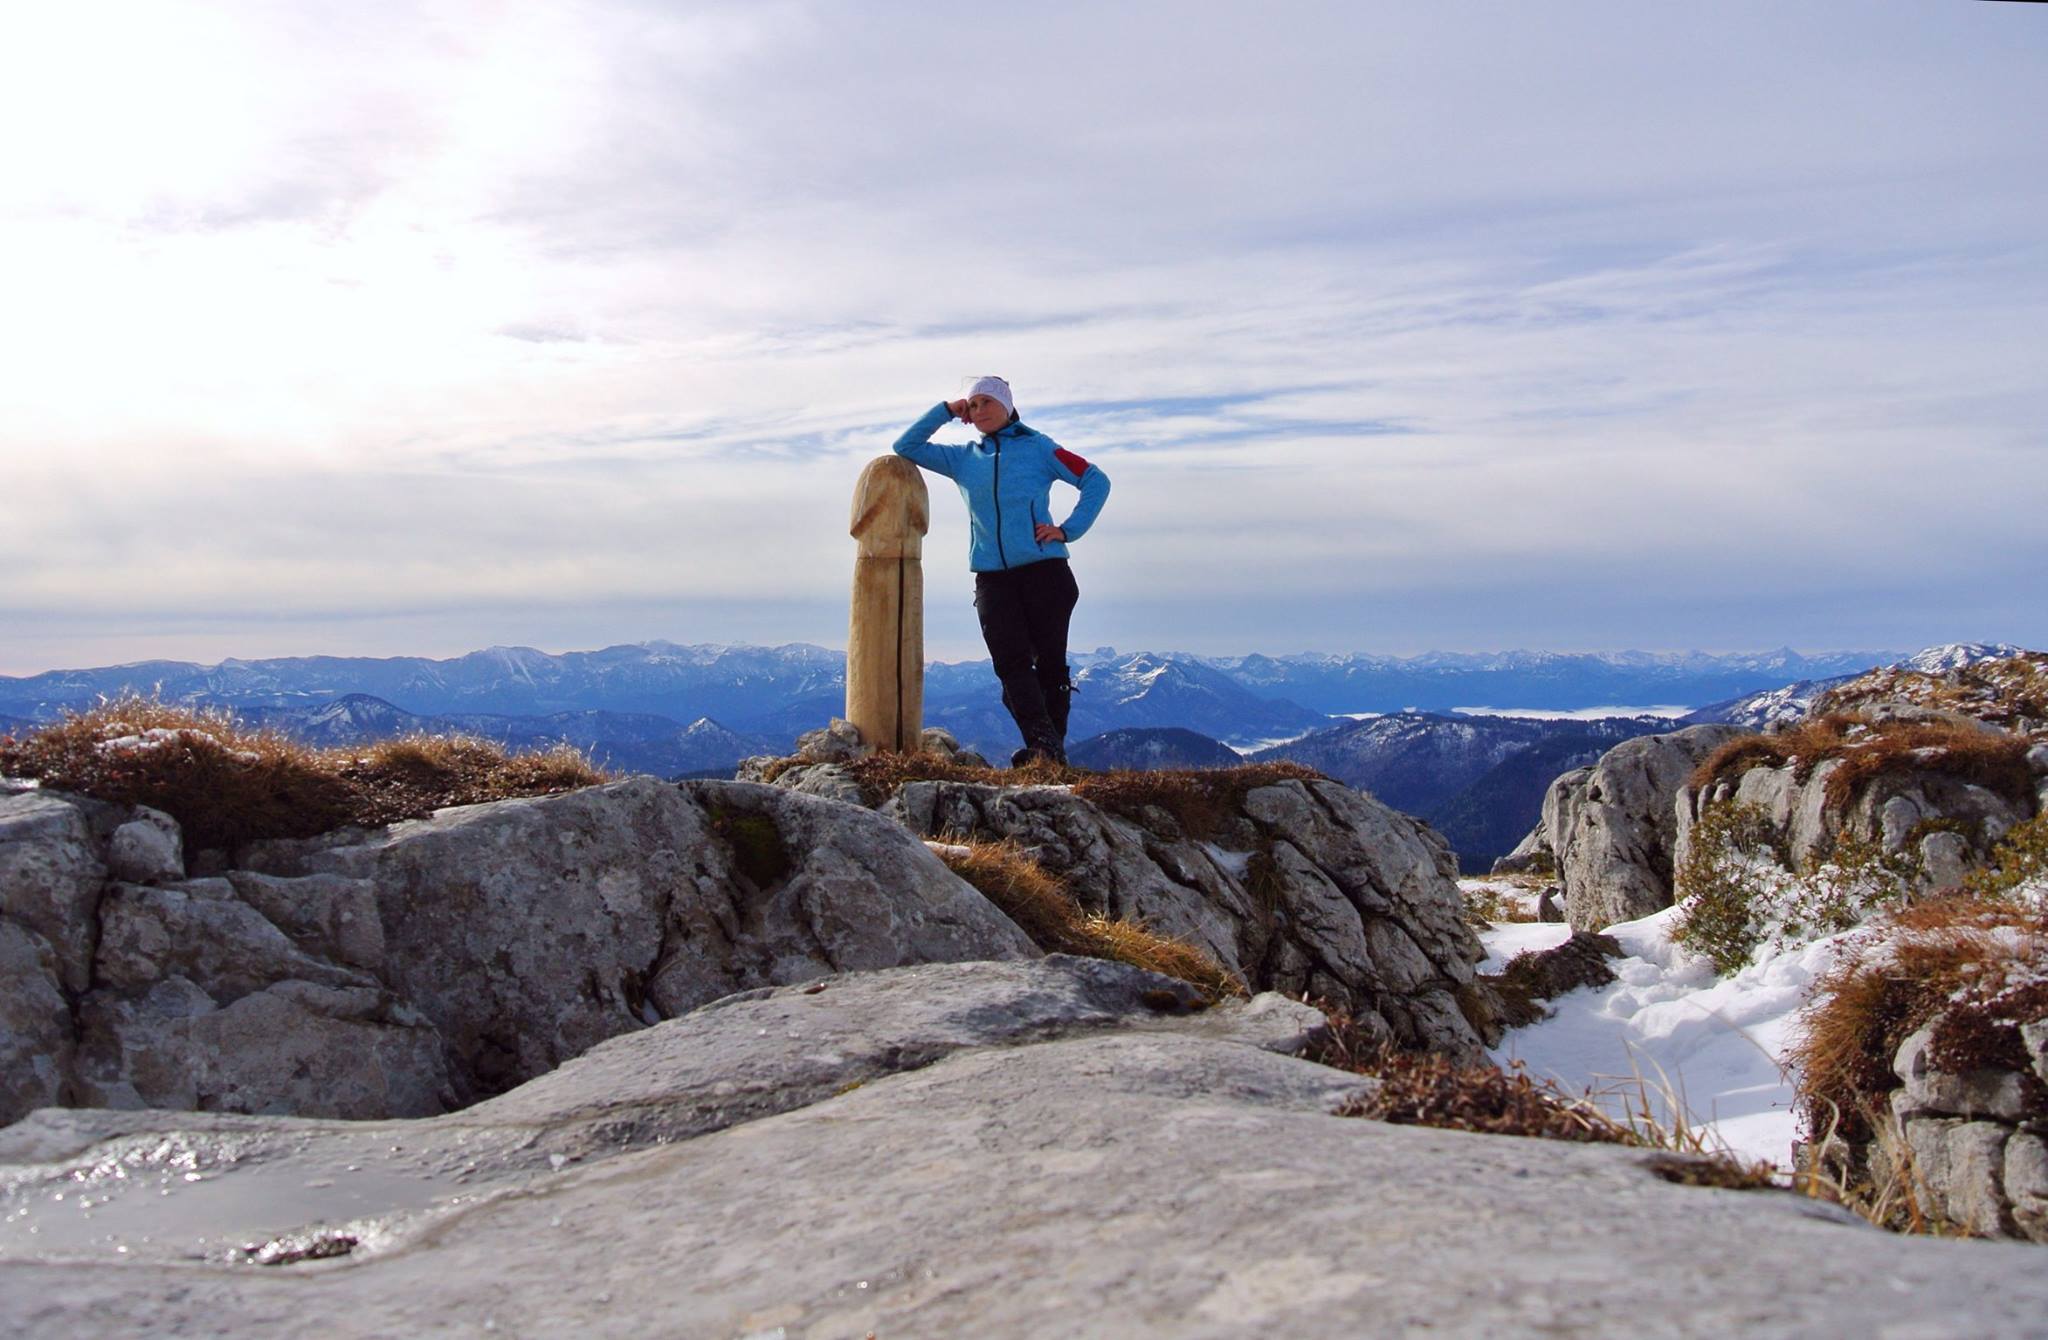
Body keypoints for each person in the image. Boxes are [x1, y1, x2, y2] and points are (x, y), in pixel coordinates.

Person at [893, 376, 1110, 766]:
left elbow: (1095, 479)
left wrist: (1068, 530)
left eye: (986, 402)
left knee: (1050, 665)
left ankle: (1046, 753)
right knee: (1009, 668)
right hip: (992, 578)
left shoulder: (1039, 447)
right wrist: (946, 410)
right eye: (972, 404)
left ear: (1007, 406)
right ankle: (1047, 747)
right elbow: (905, 446)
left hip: (1046, 573)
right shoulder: (962, 459)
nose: (978, 410)